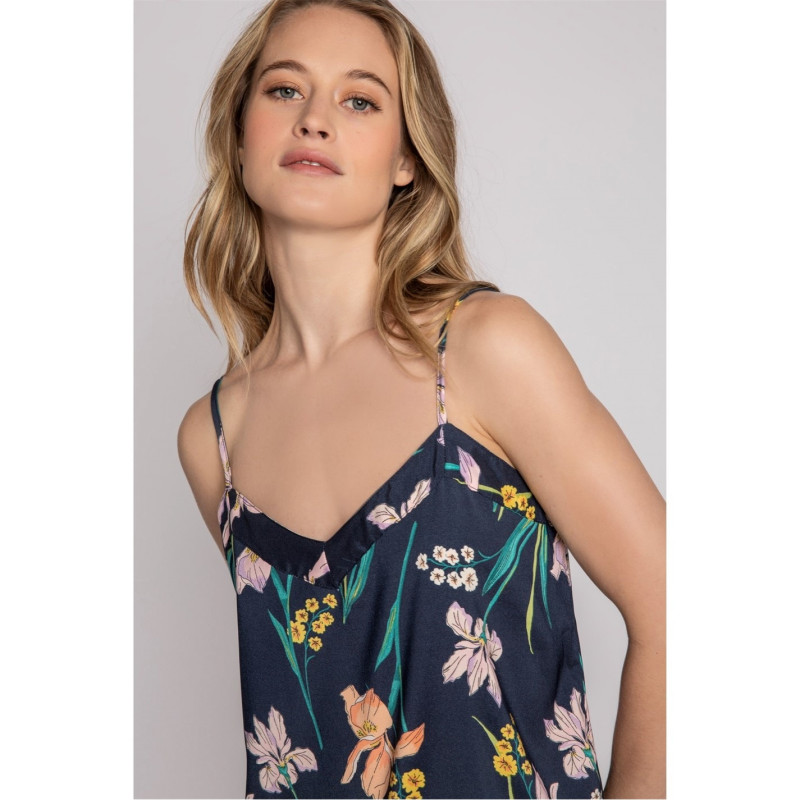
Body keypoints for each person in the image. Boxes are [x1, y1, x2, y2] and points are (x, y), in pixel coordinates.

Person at [177, 1, 665, 798]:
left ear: (407, 157)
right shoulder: (212, 439)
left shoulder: (484, 350)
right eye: (283, 90)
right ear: (238, 135)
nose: (314, 119)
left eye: (359, 100)